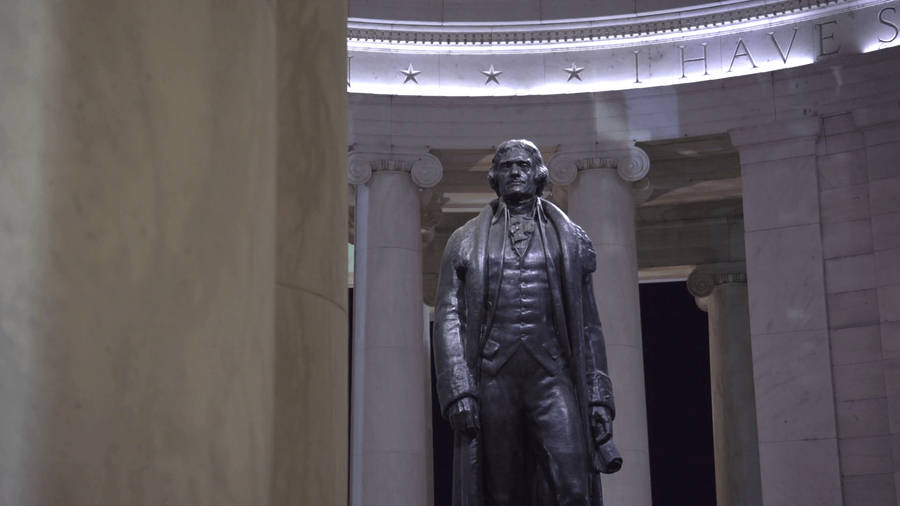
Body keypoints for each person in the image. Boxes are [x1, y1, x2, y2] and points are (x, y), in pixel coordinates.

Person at [433, 139, 620, 506]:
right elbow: (448, 315)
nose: (515, 172)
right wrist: (459, 390)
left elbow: (589, 324)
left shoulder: (572, 238)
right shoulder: (463, 240)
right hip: (493, 378)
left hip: (552, 377)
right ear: (494, 177)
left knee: (574, 486)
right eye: (506, 166)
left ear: (538, 175)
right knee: (501, 493)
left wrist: (599, 398)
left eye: (523, 165)